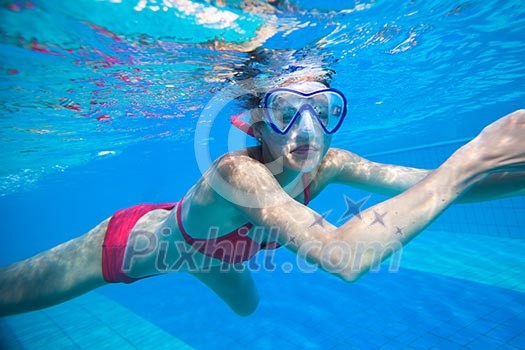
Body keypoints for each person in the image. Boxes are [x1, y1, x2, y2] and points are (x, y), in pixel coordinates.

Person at [1, 75, 524, 317]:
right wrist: (471, 159)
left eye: (323, 109)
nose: (306, 130)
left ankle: (198, 262)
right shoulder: (238, 172)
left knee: (248, 309)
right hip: (129, 245)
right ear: (253, 122)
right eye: (284, 112)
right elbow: (345, 256)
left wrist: (489, 171)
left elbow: (431, 187)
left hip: (212, 250)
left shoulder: (332, 164)